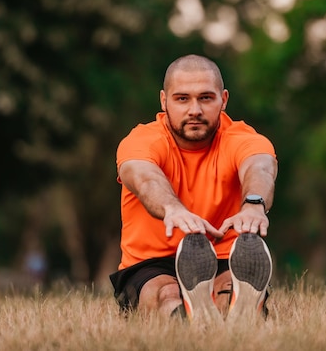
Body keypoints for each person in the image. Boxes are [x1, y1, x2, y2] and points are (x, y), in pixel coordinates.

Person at [109, 54, 277, 322]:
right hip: (152, 262)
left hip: (224, 254)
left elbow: (260, 168)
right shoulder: (142, 140)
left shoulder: (242, 138)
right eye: (182, 98)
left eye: (206, 98)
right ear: (164, 101)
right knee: (166, 293)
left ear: (223, 100)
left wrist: (254, 205)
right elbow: (144, 177)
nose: (195, 110)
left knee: (227, 288)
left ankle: (234, 307)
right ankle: (188, 320)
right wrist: (171, 208)